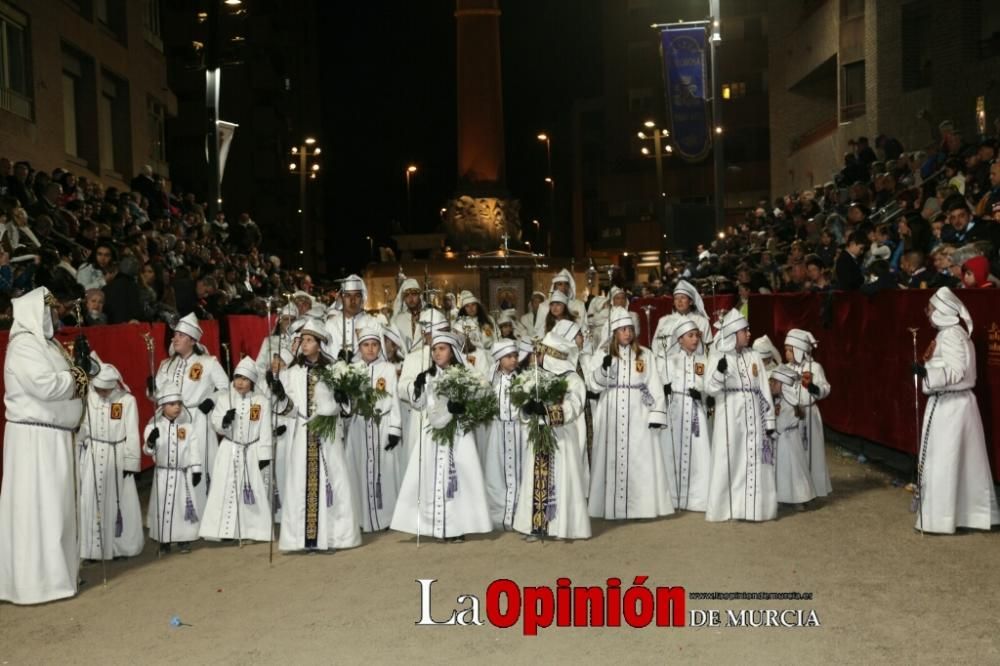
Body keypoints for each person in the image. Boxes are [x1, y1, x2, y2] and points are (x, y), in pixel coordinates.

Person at [0, 287, 91, 604]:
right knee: (40, 509)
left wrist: (79, 363)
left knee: (57, 509)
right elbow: (46, 386)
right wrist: (77, 376)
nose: (56, 315)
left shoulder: (47, 344)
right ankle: (37, 582)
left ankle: (60, 573)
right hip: (35, 442)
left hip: (52, 437)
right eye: (50, 311)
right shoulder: (25, 346)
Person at [390, 330, 493, 542]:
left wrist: (463, 405)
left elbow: (483, 392)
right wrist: (416, 388)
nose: (437, 353)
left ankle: (458, 525)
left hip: (458, 434)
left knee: (459, 478)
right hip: (432, 434)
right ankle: (432, 525)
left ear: (453, 351)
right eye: (434, 349)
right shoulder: (428, 375)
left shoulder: (465, 373)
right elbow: (419, 405)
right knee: (431, 476)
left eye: (442, 349)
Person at [911, 288, 1000, 534]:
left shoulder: (951, 335)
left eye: (930, 308)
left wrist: (927, 373)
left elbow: (957, 370)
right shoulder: (947, 334)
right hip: (949, 403)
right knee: (954, 461)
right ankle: (957, 514)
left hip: (952, 406)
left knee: (946, 461)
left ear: (941, 311)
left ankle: (943, 518)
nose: (927, 313)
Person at [272, 319, 361, 552]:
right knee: (301, 481)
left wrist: (343, 399)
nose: (304, 344)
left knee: (333, 478)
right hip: (303, 434)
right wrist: (280, 396)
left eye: (309, 340)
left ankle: (334, 536)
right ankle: (304, 538)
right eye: (302, 339)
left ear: (320, 344)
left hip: (328, 433)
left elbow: (347, 407)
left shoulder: (333, 369)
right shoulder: (293, 372)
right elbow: (289, 410)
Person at [588, 307, 674, 520]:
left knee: (640, 460)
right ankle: (608, 507)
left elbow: (654, 384)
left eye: (630, 329)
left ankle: (641, 507)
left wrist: (656, 414)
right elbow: (593, 385)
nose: (627, 333)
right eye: (622, 329)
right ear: (614, 332)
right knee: (611, 457)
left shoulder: (645, 354)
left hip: (639, 413)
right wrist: (603, 371)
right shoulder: (602, 354)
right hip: (612, 411)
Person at [514, 331, 591, 541]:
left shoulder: (572, 379)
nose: (535, 358)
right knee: (535, 479)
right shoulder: (535, 376)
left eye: (539, 354)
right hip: (538, 436)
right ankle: (536, 526)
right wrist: (528, 408)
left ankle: (561, 526)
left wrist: (548, 412)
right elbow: (521, 405)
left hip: (562, 437)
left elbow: (574, 406)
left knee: (561, 479)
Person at [704, 309, 777, 522]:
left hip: (754, 414)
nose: (749, 334)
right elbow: (710, 388)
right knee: (731, 459)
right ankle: (726, 508)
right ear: (734, 333)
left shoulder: (754, 355)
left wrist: (769, 419)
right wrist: (719, 371)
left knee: (753, 458)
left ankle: (754, 508)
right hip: (730, 414)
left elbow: (763, 388)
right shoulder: (718, 355)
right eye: (745, 331)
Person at [199, 358, 273, 543]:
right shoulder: (225, 399)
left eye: (245, 379)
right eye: (237, 378)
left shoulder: (261, 401)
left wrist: (265, 455)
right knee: (225, 488)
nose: (240, 382)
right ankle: (225, 531)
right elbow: (215, 423)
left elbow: (265, 430)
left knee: (250, 491)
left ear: (252, 382)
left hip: (252, 450)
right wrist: (225, 421)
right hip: (229, 449)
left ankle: (252, 530)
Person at [150, 313, 229, 483]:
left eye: (181, 336)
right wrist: (151, 390)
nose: (175, 339)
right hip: (172, 420)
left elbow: (226, 388)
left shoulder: (208, 362)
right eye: (175, 335)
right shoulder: (166, 365)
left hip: (198, 419)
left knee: (199, 460)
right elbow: (158, 397)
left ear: (192, 341)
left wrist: (212, 400)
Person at [78, 360, 144, 561]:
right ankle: (92, 550)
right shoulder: (90, 397)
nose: (102, 394)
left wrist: (130, 462)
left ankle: (121, 546)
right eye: (99, 389)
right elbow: (83, 425)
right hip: (95, 452)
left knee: (120, 501)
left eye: (106, 390)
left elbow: (132, 433)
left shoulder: (127, 401)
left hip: (117, 454)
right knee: (90, 500)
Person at [345, 325, 403, 533]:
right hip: (359, 426)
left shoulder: (387, 369)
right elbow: (348, 404)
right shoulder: (352, 369)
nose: (370, 349)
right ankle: (362, 518)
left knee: (385, 472)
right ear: (359, 347)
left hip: (382, 424)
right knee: (358, 471)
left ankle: (386, 517)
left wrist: (395, 429)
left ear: (380, 347)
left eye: (374, 345)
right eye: (366, 345)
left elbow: (394, 397)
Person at [144, 381, 205, 554]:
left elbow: (193, 450)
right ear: (162, 406)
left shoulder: (187, 427)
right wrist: (151, 442)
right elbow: (149, 451)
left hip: (181, 475)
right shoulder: (153, 427)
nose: (177, 407)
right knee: (163, 507)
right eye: (172, 404)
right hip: (163, 475)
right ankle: (164, 542)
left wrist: (196, 470)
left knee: (182, 508)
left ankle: (184, 539)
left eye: (179, 404)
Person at [661, 318, 712, 512]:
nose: (695, 340)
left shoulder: (703, 361)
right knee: (672, 451)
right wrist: (665, 387)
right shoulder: (670, 361)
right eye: (690, 336)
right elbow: (662, 383)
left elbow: (710, 386)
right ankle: (674, 497)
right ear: (680, 339)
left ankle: (698, 498)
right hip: (676, 410)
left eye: (697, 336)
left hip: (696, 410)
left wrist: (704, 395)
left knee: (698, 455)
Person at [483, 339, 527, 531]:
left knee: (520, 472)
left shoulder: (522, 378)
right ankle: (499, 515)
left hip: (519, 431)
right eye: (508, 357)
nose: (513, 360)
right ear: (499, 359)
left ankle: (519, 515)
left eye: (515, 356)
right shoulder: (490, 379)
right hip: (497, 431)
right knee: (496, 474)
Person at [783, 329, 833, 498]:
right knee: (796, 453)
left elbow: (825, 388)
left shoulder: (814, 367)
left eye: (790, 350)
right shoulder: (786, 368)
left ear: (799, 350)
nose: (787, 354)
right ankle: (798, 490)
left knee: (812, 452)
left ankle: (815, 488)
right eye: (786, 350)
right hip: (793, 415)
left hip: (810, 414)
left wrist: (814, 388)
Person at [769, 365, 816, 509]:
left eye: (774, 383)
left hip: (787, 440)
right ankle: (785, 496)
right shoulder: (781, 400)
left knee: (793, 470)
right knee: (786, 470)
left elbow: (783, 421)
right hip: (786, 440)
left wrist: (774, 434)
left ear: (782, 385)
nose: (771, 386)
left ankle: (799, 499)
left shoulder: (788, 403)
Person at [651, 280, 714, 360]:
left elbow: (709, 347)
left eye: (683, 298)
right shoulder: (664, 321)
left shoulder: (702, 321)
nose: (679, 301)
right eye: (676, 298)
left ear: (691, 301)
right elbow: (655, 345)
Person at [325, 274, 376, 361]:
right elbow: (325, 353)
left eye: (357, 296)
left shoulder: (372, 323)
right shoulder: (330, 324)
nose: (352, 300)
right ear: (341, 298)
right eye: (348, 296)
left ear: (362, 298)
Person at [391, 277, 425, 352]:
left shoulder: (428, 316)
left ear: (419, 296)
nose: (410, 298)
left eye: (414, 294)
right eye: (406, 295)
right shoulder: (397, 321)